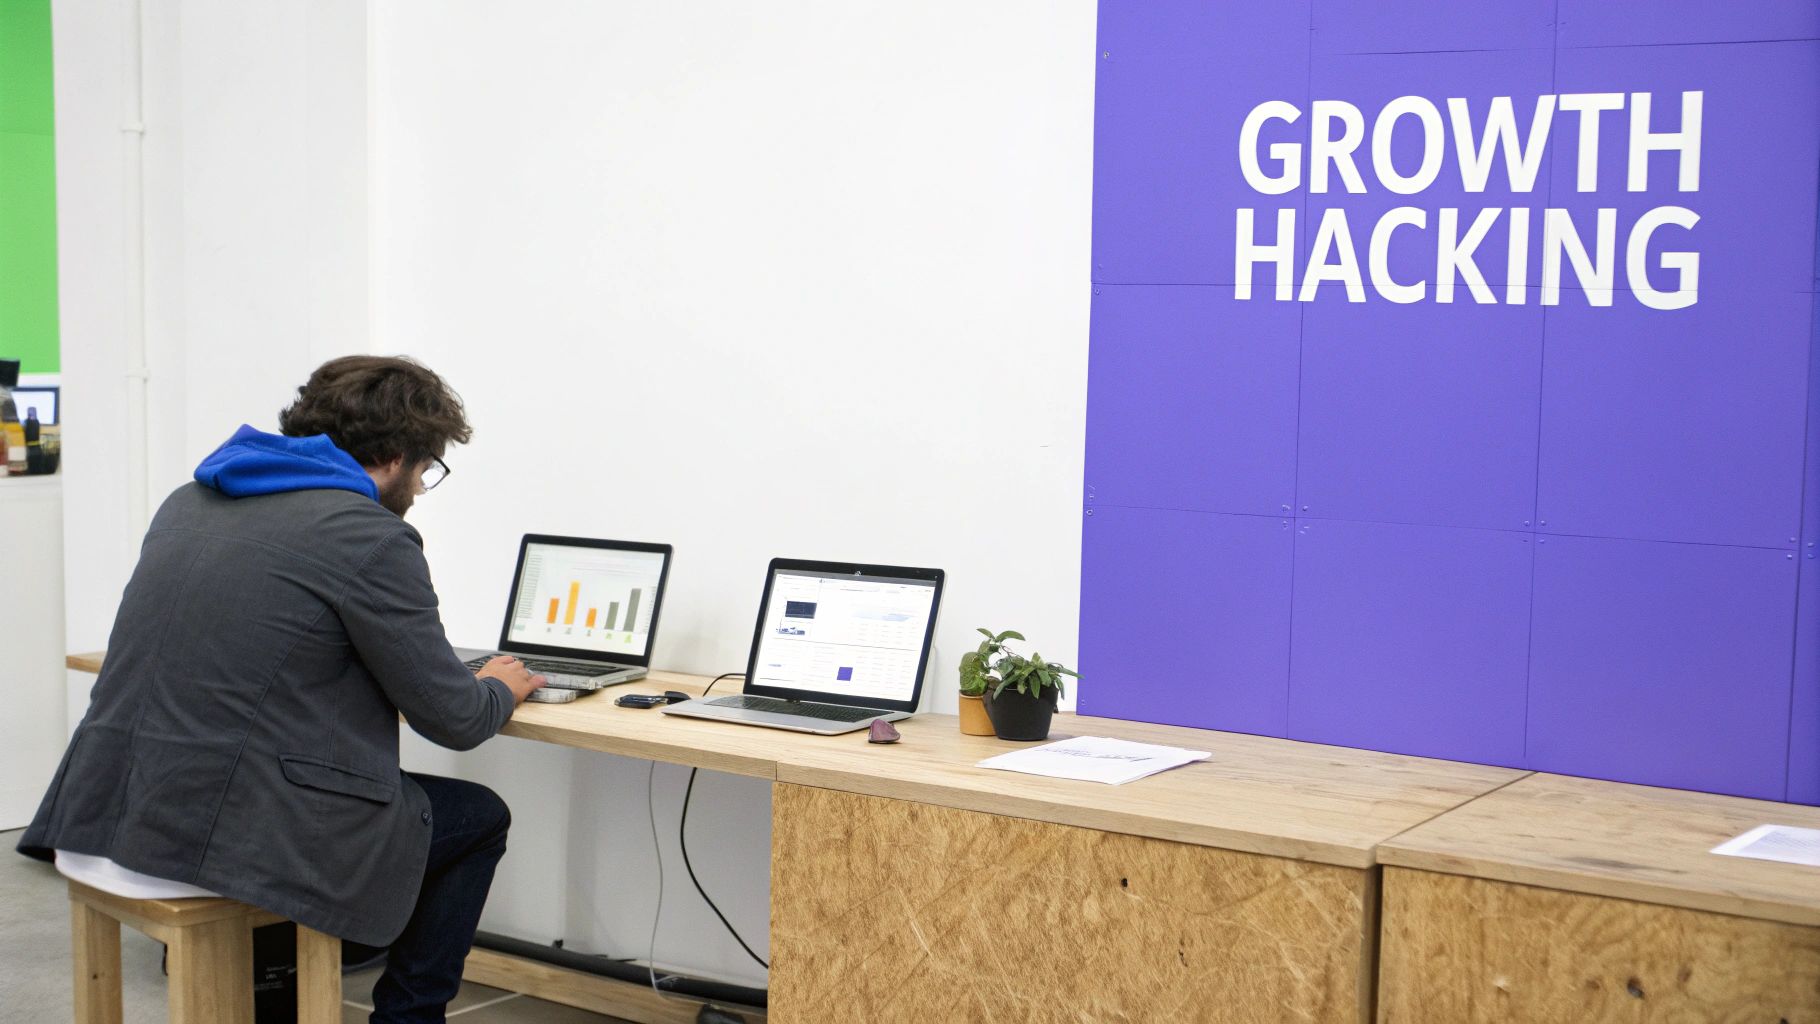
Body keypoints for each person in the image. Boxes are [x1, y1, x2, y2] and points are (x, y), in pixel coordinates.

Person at [19, 355, 546, 1023]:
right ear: (391, 456)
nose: (418, 486)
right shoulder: (369, 536)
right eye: (424, 468)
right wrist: (501, 686)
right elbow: (455, 720)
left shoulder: (188, 502)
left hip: (105, 818)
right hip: (206, 846)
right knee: (477, 817)